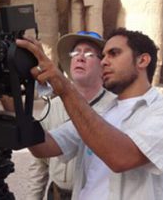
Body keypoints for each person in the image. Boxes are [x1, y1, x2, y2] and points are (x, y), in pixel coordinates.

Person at [16, 27, 163, 200]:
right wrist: (16, 95)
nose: (104, 61)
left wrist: (65, 89)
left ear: (142, 61)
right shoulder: (100, 112)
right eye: (103, 56)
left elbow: (121, 157)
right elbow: (46, 147)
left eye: (114, 53)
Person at [26, 31, 116, 200]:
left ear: (103, 65)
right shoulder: (52, 106)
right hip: (56, 194)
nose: (80, 57)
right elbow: (40, 162)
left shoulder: (115, 108)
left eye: (89, 54)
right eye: (75, 53)